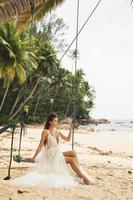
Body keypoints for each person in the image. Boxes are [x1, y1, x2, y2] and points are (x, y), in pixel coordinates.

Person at [9, 112, 93, 188]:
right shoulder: (46, 132)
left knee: (73, 153)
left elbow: (68, 139)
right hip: (51, 156)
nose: (57, 122)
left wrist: (71, 129)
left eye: (57, 120)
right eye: (55, 121)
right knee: (71, 159)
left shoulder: (57, 130)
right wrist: (33, 157)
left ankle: (79, 175)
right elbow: (40, 146)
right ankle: (84, 178)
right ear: (50, 122)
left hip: (57, 153)